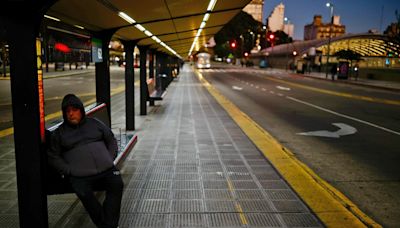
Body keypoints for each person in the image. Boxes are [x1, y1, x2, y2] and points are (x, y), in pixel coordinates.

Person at [47, 94, 123, 228]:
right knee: (83, 192)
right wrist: (69, 170)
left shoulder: (94, 123)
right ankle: (108, 225)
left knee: (117, 184)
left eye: (74, 110)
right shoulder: (59, 133)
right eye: (67, 111)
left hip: (106, 169)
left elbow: (110, 139)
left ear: (81, 110)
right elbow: (53, 156)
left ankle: (108, 225)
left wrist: (110, 157)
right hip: (80, 176)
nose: (71, 114)